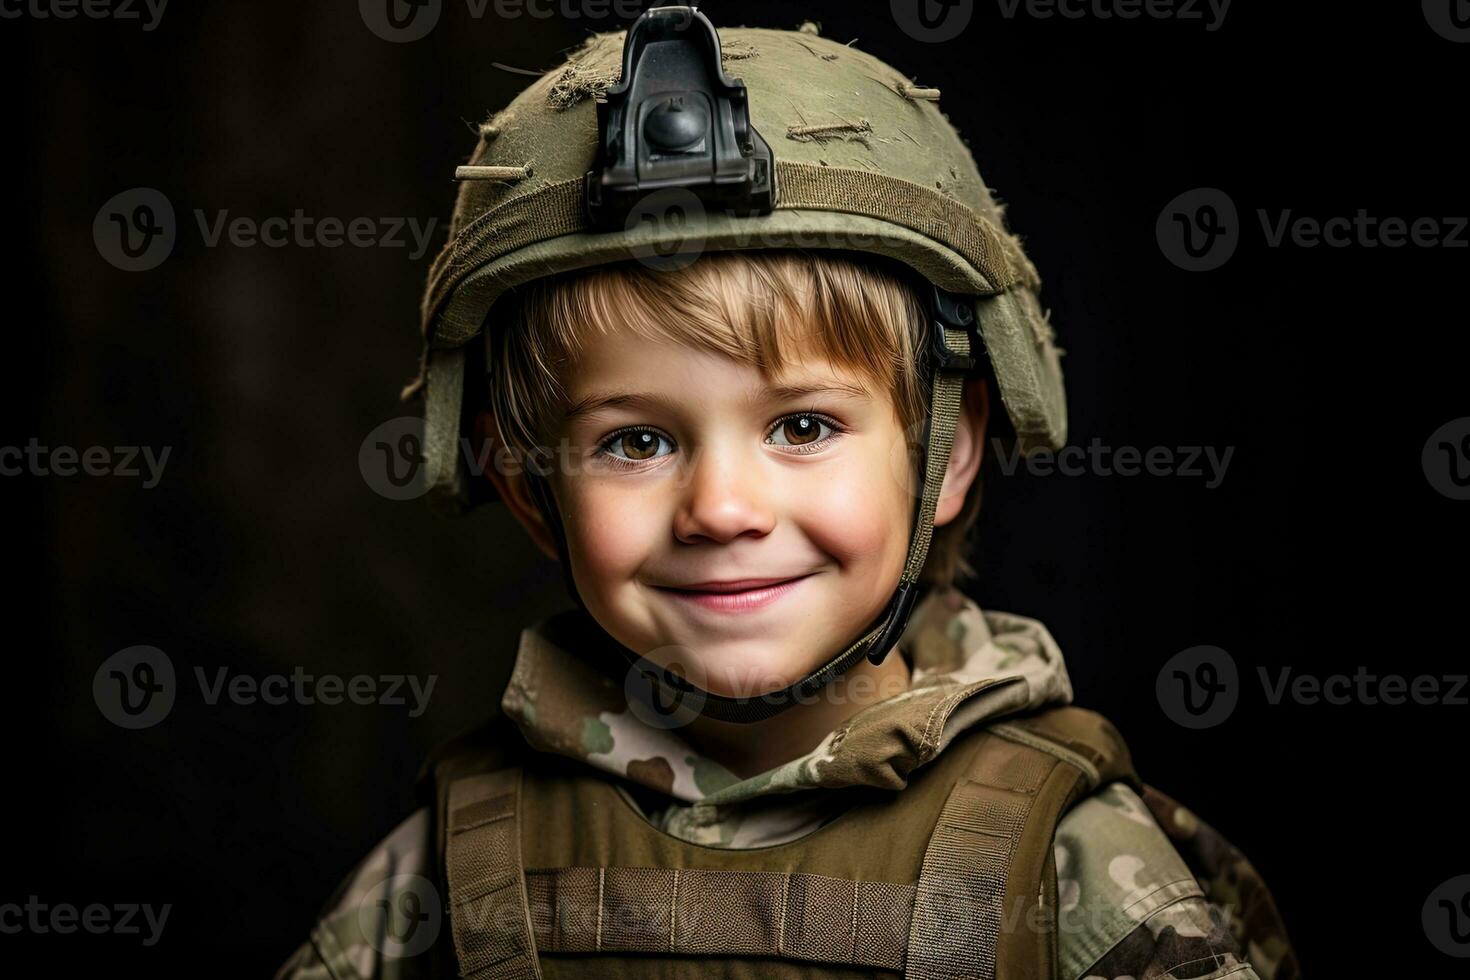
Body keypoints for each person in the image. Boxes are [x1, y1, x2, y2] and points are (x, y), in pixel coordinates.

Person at [277, 8, 1298, 979]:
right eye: (636, 441)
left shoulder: (1069, 859)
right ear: (527, 486)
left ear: (948, 452)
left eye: (803, 427)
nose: (722, 508)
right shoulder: (461, 856)